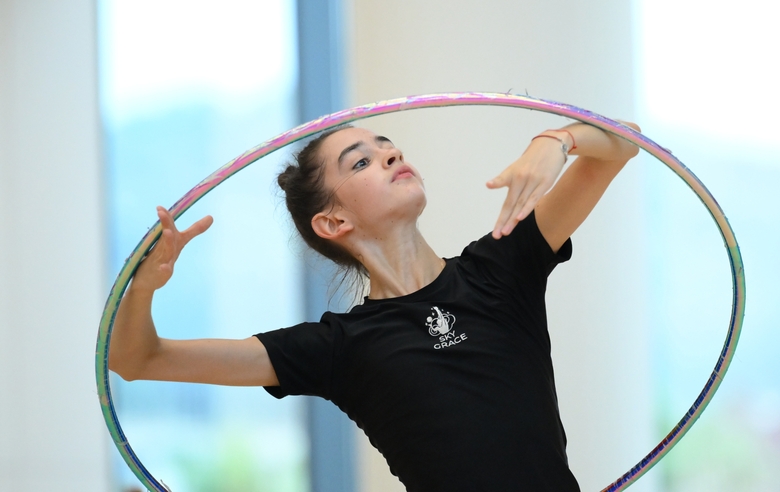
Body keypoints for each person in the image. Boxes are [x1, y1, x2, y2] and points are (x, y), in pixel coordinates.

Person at [109, 120, 640, 491]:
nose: (392, 155)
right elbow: (137, 360)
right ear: (334, 222)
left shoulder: (504, 265)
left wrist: (558, 138)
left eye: (391, 148)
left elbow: (624, 142)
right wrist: (145, 288)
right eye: (361, 161)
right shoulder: (339, 348)